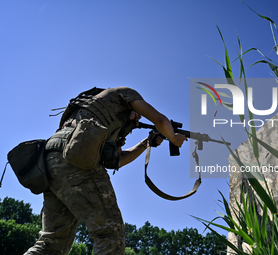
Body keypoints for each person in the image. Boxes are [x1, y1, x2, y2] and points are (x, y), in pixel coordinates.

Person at [24, 87, 187, 255]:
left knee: (51, 245)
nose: (138, 116)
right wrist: (174, 138)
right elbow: (161, 121)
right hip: (76, 159)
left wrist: (146, 143)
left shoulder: (95, 113)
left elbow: (117, 161)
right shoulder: (125, 93)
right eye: (137, 112)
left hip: (50, 162)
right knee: (110, 234)